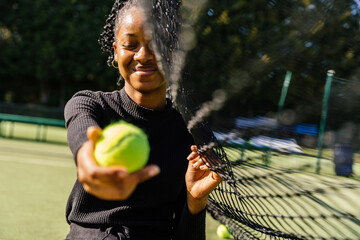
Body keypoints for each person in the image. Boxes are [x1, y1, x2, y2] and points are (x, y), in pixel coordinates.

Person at [64, 0, 222, 239]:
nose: (144, 55)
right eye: (130, 44)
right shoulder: (90, 104)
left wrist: (195, 200)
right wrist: (88, 161)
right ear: (116, 51)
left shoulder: (190, 133)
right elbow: (82, 134)